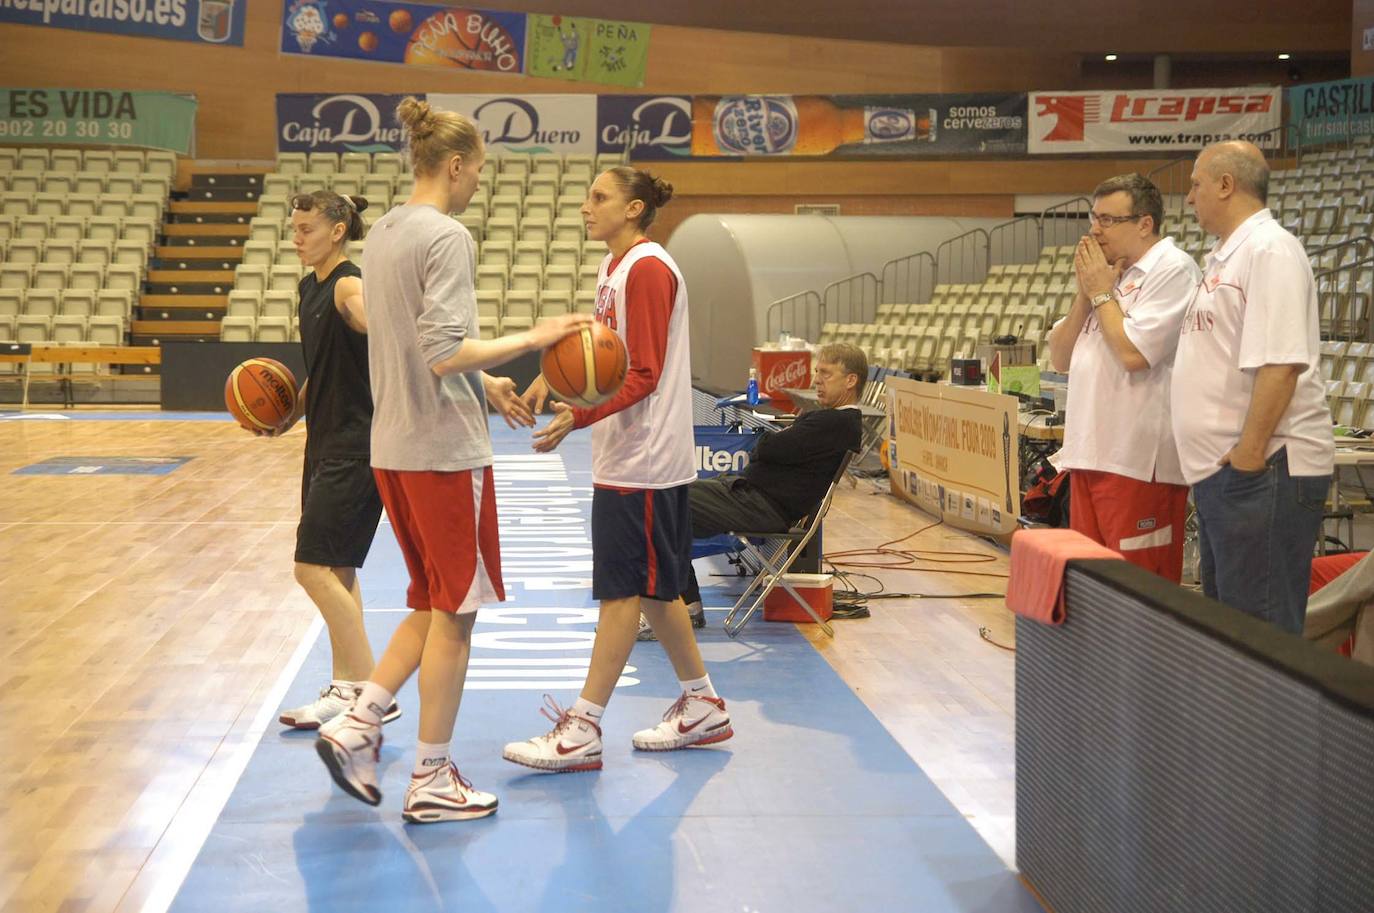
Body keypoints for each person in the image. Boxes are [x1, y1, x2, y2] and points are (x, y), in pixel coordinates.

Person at [314, 97, 590, 821]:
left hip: (394, 447)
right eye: (477, 173)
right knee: (459, 616)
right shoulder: (445, 236)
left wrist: (486, 379)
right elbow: (441, 351)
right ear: (457, 165)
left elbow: (411, 343)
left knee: (432, 601)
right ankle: (431, 776)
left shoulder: (382, 233)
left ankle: (358, 720)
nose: (476, 186)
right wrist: (537, 334)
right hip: (443, 451)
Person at [503, 166, 729, 772]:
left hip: (646, 458)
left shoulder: (649, 269)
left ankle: (583, 728)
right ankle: (702, 702)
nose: (585, 207)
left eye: (599, 197)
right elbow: (595, 351)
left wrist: (575, 418)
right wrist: (542, 382)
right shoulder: (615, 267)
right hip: (628, 453)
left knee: (622, 591)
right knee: (657, 590)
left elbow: (645, 372)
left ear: (633, 209)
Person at [1172, 140, 1334, 634]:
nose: (1189, 198)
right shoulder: (1226, 256)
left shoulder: (1270, 249)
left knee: (1259, 637)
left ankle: (1270, 717)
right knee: (1232, 634)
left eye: (1196, 184)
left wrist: (1248, 451)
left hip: (1264, 470)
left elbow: (1282, 363)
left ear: (1226, 184)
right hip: (1230, 475)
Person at [270, 190, 401, 731]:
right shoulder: (310, 286)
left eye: (306, 230)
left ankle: (373, 695)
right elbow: (321, 371)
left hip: (357, 447)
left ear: (338, 230)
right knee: (339, 570)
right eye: (294, 229)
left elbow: (378, 324)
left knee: (310, 568)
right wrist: (288, 415)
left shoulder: (349, 285)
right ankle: (346, 688)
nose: (296, 238)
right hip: (323, 443)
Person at [640, 342, 866, 641]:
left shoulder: (834, 422)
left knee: (660, 501)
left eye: (826, 374)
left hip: (760, 506)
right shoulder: (830, 421)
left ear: (850, 380)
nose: (816, 381)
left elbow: (768, 446)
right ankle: (685, 605)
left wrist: (776, 443)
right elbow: (772, 448)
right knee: (669, 502)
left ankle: (669, 612)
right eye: (817, 372)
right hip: (749, 496)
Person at [1045, 174, 1200, 582]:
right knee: (1093, 588)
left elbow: (1134, 354)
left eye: (1108, 220)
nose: (1095, 229)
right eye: (1094, 218)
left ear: (1144, 224)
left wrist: (1100, 294)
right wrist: (1087, 293)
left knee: (1139, 591)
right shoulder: (1113, 276)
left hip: (1139, 460)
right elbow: (1060, 357)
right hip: (1090, 452)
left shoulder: (1174, 269)